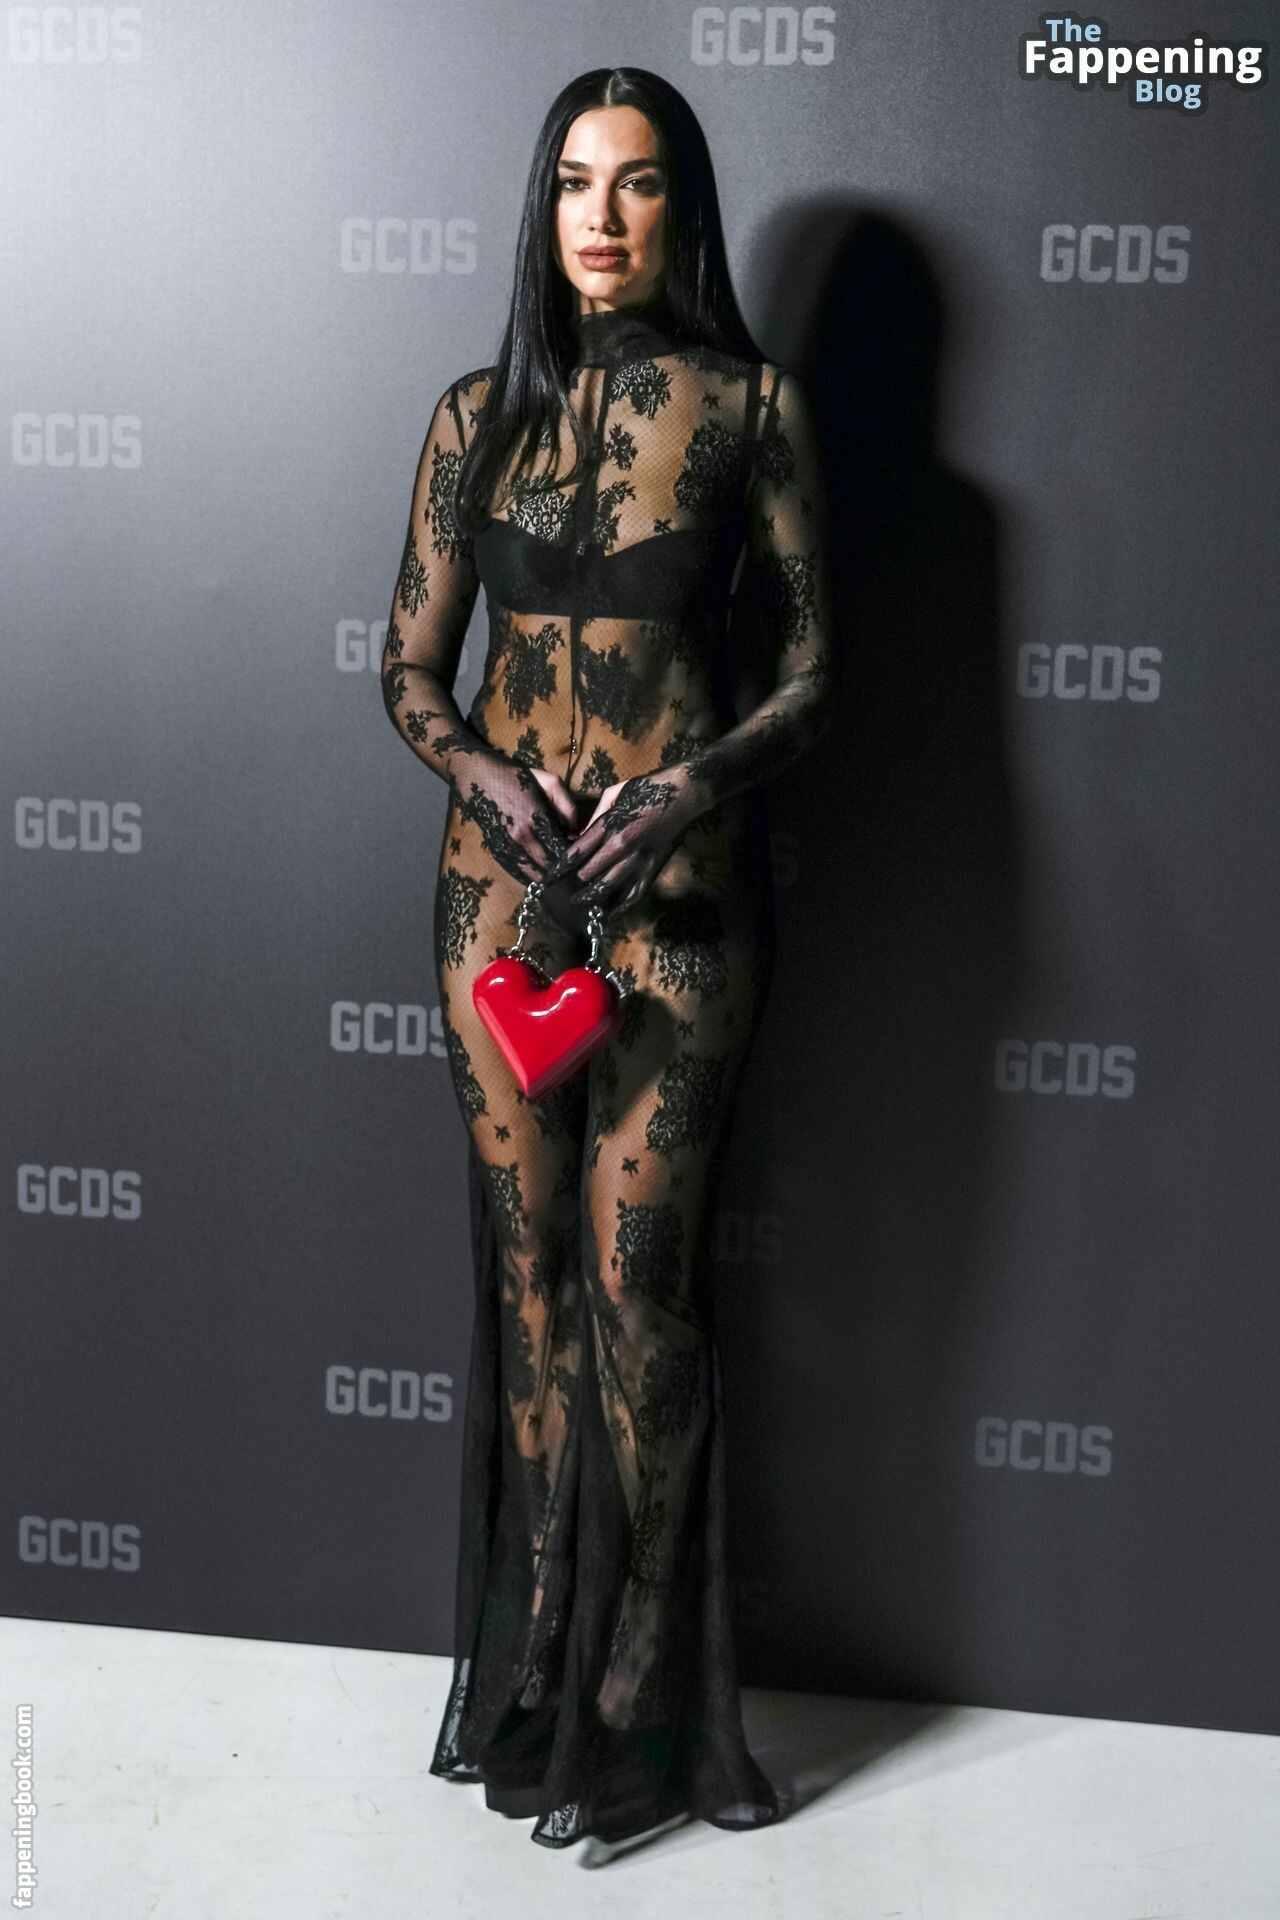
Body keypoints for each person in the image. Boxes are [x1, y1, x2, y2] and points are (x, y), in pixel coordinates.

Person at [379, 64, 835, 1851]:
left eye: (638, 184)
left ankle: (638, 1709)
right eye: (574, 181)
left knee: (641, 1291)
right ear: (543, 204)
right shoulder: (473, 415)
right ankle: (536, 1673)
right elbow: (408, 666)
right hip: (497, 907)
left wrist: (688, 784)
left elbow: (814, 674)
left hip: (684, 903)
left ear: (682, 210)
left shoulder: (757, 409)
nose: (601, 216)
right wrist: (489, 779)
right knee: (529, 1289)